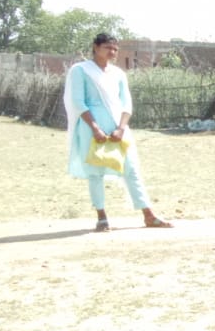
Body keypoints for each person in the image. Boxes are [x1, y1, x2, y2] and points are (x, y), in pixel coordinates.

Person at [63, 33, 172, 232]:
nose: (112, 52)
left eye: (115, 49)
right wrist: (95, 128)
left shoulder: (118, 73)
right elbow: (78, 101)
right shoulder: (81, 70)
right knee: (95, 172)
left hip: (117, 125)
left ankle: (149, 214)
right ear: (96, 47)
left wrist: (121, 128)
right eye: (107, 47)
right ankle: (102, 217)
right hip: (90, 126)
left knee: (131, 168)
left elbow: (126, 103)